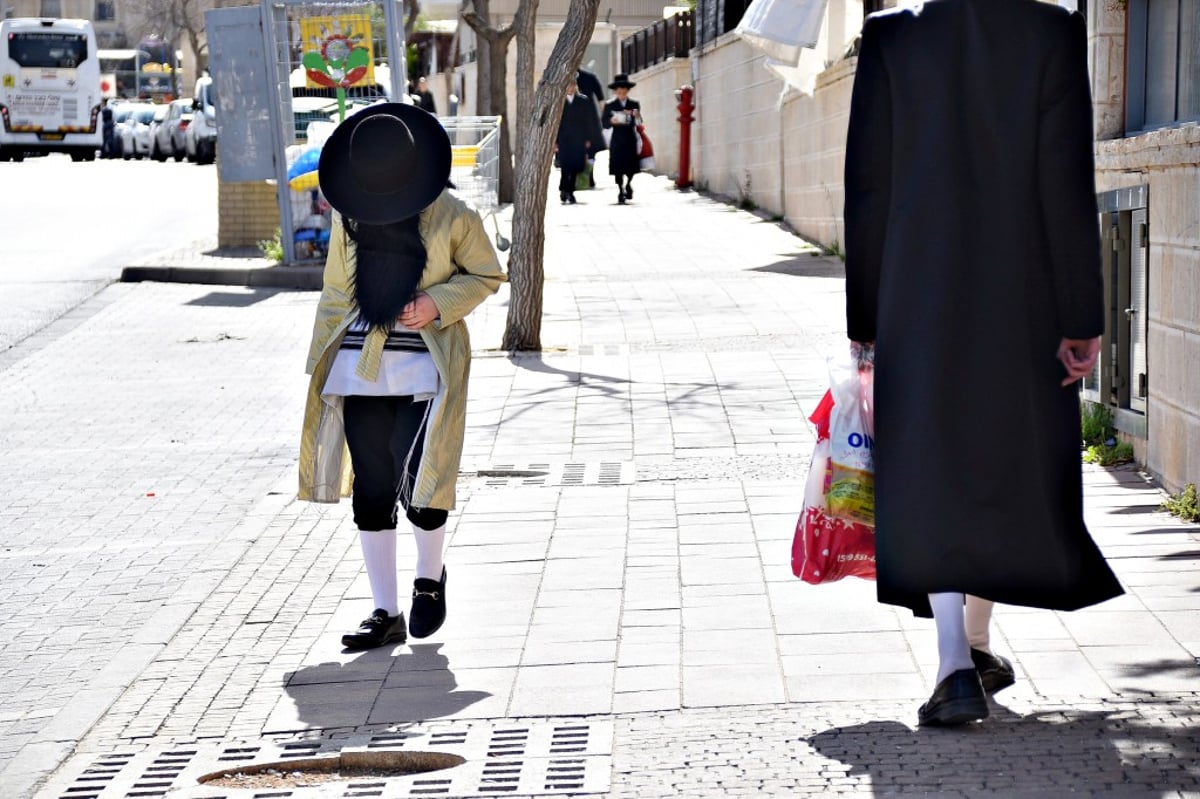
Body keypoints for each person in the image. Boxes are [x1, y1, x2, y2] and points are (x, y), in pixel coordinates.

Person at [842, 0, 1123, 726]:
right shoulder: (1051, 29)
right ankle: (972, 643)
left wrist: (865, 321)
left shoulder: (891, 37)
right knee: (1000, 456)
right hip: (1020, 293)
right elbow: (1066, 181)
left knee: (930, 464)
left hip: (916, 291)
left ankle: (956, 660)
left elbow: (868, 190)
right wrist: (1080, 317)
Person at [299, 103, 506, 650]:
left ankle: (429, 579)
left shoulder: (454, 215)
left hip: (425, 368)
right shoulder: (349, 217)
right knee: (370, 488)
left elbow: (487, 274)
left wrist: (436, 303)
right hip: (358, 370)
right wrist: (323, 360)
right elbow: (335, 293)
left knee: (422, 477)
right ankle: (385, 611)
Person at [555, 79, 603, 204]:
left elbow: (589, 121)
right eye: (568, 86)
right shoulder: (559, 102)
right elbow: (555, 124)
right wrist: (555, 141)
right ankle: (564, 189)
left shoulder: (583, 101)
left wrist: (588, 138)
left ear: (575, 86)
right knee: (565, 165)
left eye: (572, 86)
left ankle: (570, 190)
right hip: (564, 140)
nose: (570, 88)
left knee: (576, 166)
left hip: (579, 139)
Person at [601, 74, 641, 205]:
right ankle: (620, 189)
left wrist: (636, 115)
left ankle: (629, 184)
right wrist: (611, 121)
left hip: (630, 138)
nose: (622, 93)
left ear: (627, 91)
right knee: (618, 167)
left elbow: (639, 122)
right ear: (615, 91)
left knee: (630, 167)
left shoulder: (634, 104)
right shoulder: (610, 105)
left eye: (624, 90)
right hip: (617, 139)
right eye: (619, 90)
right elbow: (604, 123)